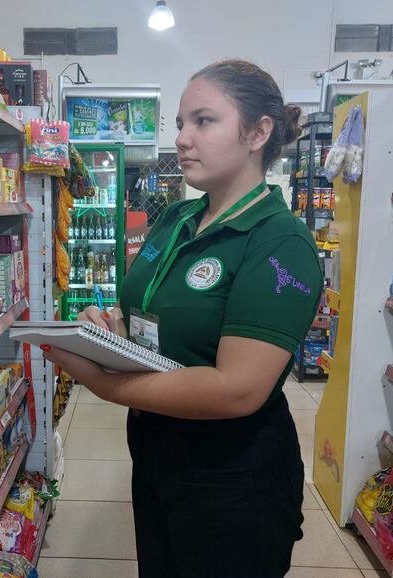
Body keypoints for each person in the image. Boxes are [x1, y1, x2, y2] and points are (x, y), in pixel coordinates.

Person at [41, 59, 323, 577]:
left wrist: (106, 383)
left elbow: (238, 390)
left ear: (258, 132)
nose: (182, 139)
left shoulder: (280, 242)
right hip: (156, 453)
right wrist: (108, 331)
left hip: (232, 476)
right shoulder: (177, 218)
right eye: (179, 123)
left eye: (203, 121)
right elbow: (146, 317)